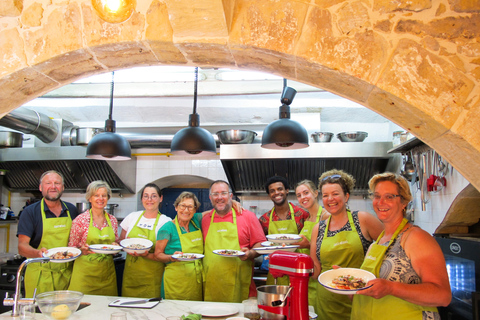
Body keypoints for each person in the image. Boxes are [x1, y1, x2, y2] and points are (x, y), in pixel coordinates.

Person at [351, 173, 451, 320]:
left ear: (403, 202)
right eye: (377, 196)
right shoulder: (378, 242)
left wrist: (391, 288)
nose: (381, 202)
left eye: (389, 197)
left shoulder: (416, 237)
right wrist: (351, 282)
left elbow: (443, 296)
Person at [310, 169, 384, 319]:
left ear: (346, 196)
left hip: (359, 298)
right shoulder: (318, 228)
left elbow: (389, 247)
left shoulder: (363, 219)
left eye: (335, 194)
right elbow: (316, 269)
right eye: (325, 195)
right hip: (326, 303)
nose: (330, 199)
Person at [17, 170, 79, 297]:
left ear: (63, 187)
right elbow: (22, 247)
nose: (53, 186)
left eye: (57, 183)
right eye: (48, 183)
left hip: (66, 275)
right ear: (41, 187)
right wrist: (38, 253)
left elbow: (76, 241)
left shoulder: (71, 210)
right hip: (40, 275)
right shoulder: (30, 212)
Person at [202, 180, 266, 303]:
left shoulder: (248, 216)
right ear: (210, 198)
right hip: (212, 286)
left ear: (230, 196)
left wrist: (251, 254)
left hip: (240, 284)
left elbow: (261, 244)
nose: (219, 197)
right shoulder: (205, 219)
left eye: (223, 193)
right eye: (215, 194)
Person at [119, 183, 172, 298]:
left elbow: (166, 254)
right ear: (142, 198)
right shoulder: (132, 217)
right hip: (131, 276)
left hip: (152, 278)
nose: (149, 200)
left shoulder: (166, 222)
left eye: (153, 196)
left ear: (160, 198)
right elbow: (121, 241)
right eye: (146, 196)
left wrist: (146, 255)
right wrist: (126, 245)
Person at [68, 180, 119, 296]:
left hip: (107, 275)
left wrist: (115, 246)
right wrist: (82, 250)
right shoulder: (80, 221)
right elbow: (71, 249)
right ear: (89, 198)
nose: (100, 199)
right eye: (96, 195)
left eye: (104, 195)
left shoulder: (112, 220)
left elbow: (114, 243)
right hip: (85, 276)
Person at [259, 175, 309, 285]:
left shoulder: (302, 214)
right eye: (272, 191)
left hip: (297, 270)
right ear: (269, 195)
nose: (276, 193)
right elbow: (258, 242)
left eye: (280, 189)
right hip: (275, 272)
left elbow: (313, 242)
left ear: (287, 191)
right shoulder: (264, 219)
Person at [155, 191, 204, 301]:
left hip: (195, 281)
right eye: (182, 206)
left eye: (190, 207)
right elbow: (158, 255)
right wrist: (171, 257)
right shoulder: (167, 228)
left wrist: (233, 202)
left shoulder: (195, 221)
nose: (186, 210)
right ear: (176, 207)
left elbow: (215, 210)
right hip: (175, 281)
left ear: (195, 210)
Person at [294, 179, 329, 306]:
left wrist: (308, 245)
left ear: (315, 193)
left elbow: (328, 247)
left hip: (320, 275)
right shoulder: (308, 218)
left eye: (306, 193)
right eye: (299, 195)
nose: (303, 197)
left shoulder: (325, 216)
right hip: (307, 275)